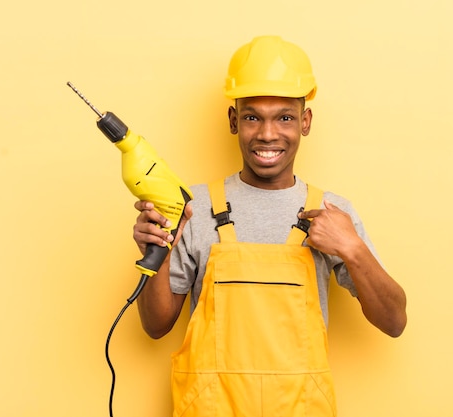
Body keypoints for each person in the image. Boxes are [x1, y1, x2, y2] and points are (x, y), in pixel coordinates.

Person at [132, 35, 407, 416]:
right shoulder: (192, 208)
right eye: (252, 117)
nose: (267, 134)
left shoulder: (331, 212)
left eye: (285, 117)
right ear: (233, 121)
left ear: (305, 122)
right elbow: (156, 326)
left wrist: (352, 248)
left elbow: (394, 322)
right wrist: (157, 250)